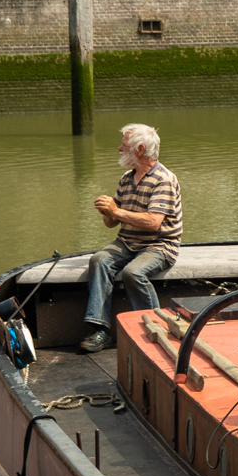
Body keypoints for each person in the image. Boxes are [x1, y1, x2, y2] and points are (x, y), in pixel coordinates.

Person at [80, 123, 184, 353]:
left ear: (139, 149)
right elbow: (112, 223)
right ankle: (101, 330)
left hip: (159, 245)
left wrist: (116, 211)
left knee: (132, 272)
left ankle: (154, 326)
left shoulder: (163, 179)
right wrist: (107, 211)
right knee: (99, 260)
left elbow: (153, 222)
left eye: (124, 145)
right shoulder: (127, 179)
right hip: (127, 242)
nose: (119, 148)